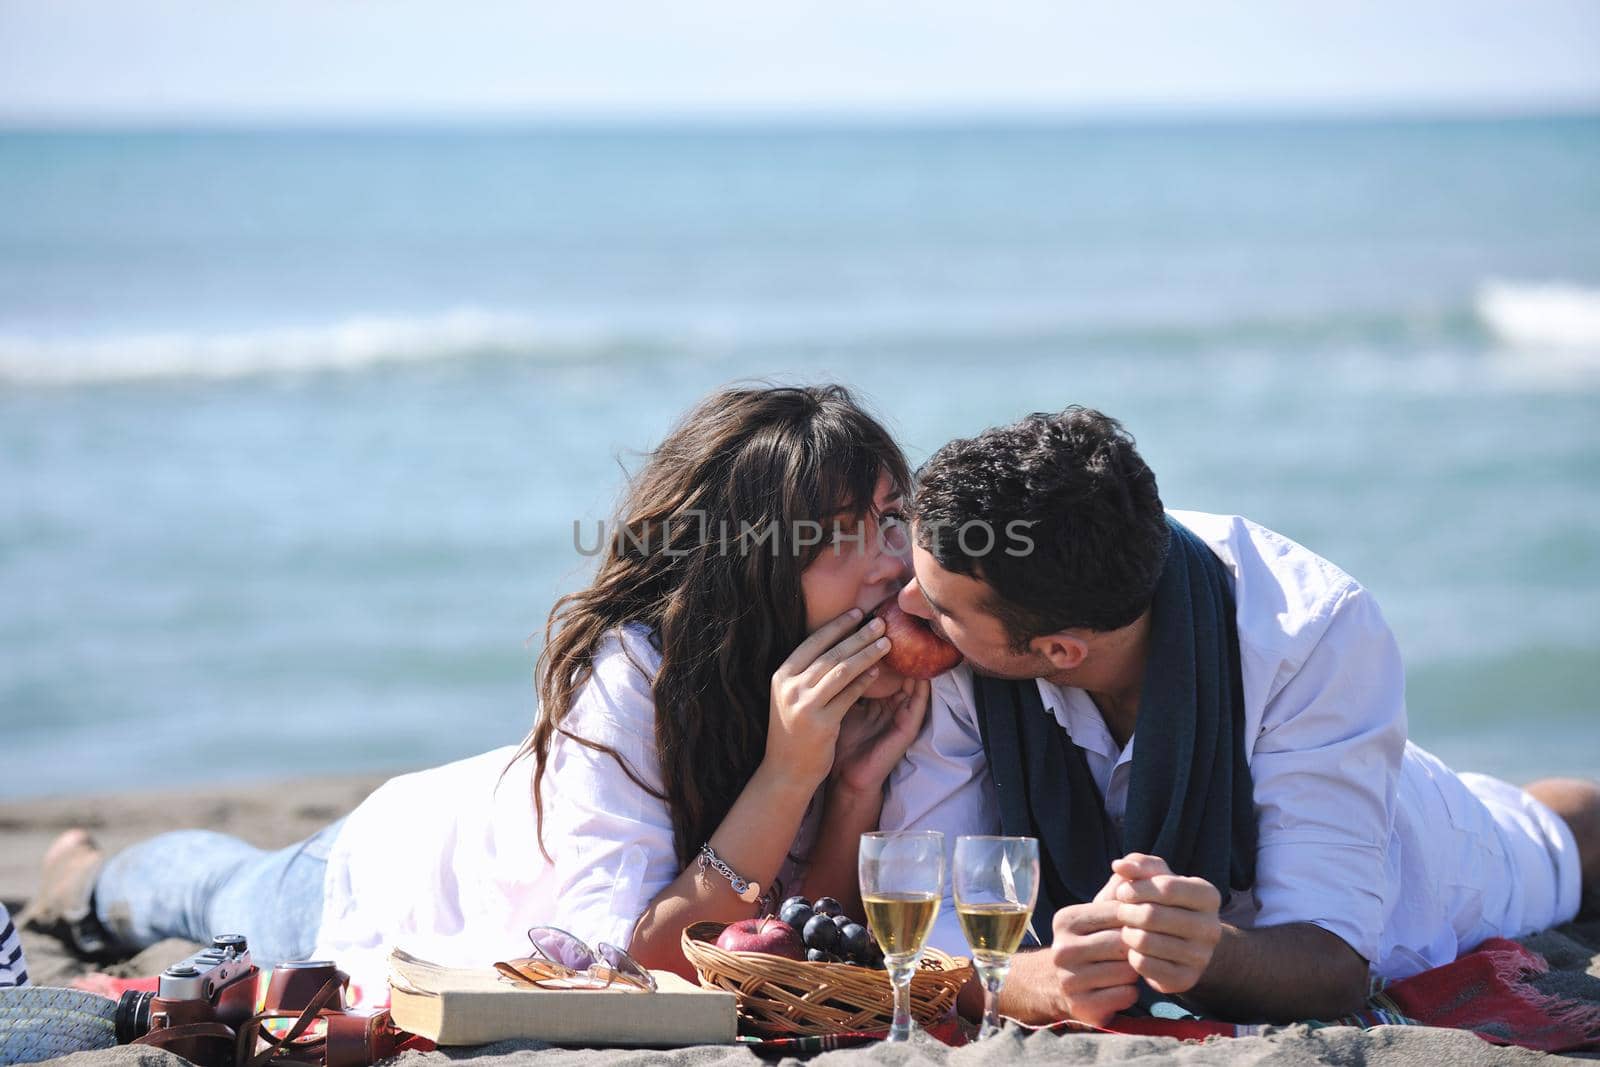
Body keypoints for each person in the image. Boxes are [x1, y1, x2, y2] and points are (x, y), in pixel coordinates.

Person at [22, 383, 931, 997]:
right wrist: (785, 776)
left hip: (512, 825)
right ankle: (86, 878)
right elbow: (644, 964)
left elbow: (792, 939)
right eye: (846, 532)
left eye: (894, 519)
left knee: (223, 885)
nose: (894, 561)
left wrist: (847, 788)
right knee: (220, 892)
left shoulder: (863, 680)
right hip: (398, 875)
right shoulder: (634, 673)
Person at [880, 405, 1600, 1025]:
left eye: (938, 605)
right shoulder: (972, 635)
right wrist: (1031, 981)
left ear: (1061, 649)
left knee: (1561, 834)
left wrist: (1210, 951)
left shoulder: (1309, 633)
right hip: (1333, 779)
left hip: (1422, 854)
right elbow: (926, 907)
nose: (907, 604)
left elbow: (1333, 960)